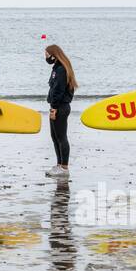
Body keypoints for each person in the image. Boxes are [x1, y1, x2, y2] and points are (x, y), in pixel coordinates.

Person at [44, 44, 78, 176]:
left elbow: (58, 90)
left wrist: (54, 108)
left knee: (61, 137)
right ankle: (59, 165)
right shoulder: (57, 68)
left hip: (60, 107)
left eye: (47, 55)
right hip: (57, 106)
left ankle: (64, 167)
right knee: (55, 137)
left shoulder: (61, 70)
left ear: (54, 55)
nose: (46, 57)